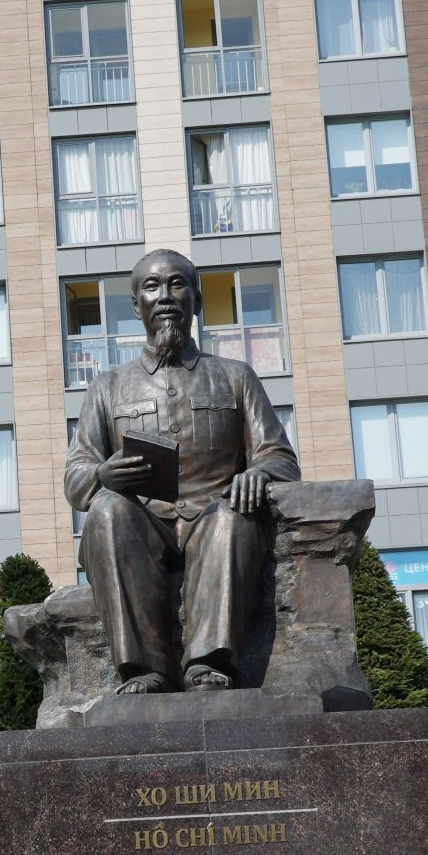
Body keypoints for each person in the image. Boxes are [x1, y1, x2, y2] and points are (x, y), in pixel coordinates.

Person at [65, 247, 299, 694]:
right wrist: (103, 477)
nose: (166, 295)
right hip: (141, 526)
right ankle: (143, 669)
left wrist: (259, 473)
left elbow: (280, 456)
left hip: (213, 521)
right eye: (152, 286)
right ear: (137, 305)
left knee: (233, 513)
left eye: (177, 284)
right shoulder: (108, 387)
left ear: (195, 298)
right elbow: (76, 477)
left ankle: (207, 663)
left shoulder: (235, 376)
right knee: (107, 511)